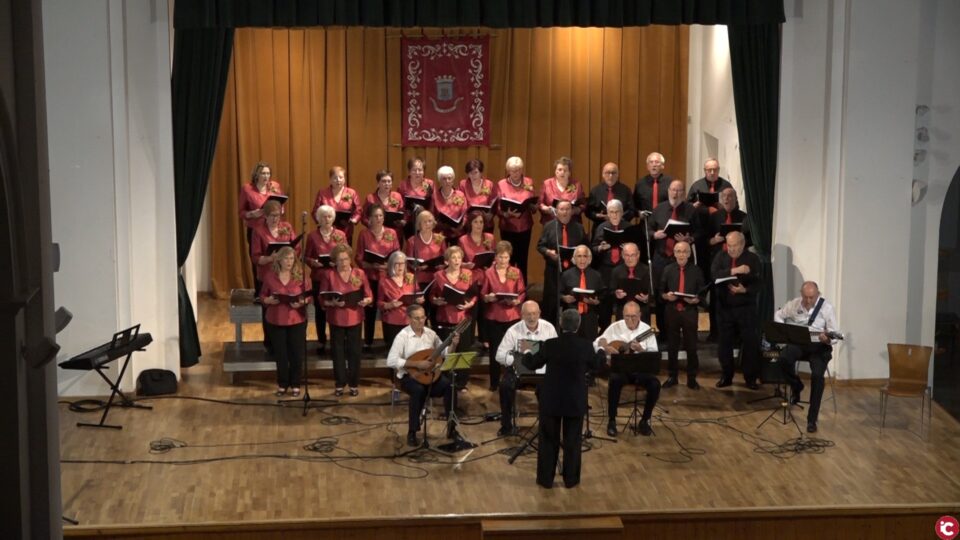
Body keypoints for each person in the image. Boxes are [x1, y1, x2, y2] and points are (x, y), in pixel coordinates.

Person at [522, 309, 604, 489]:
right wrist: (602, 349)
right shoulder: (585, 346)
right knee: (573, 441)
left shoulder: (550, 344)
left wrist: (527, 351)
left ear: (560, 323)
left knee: (548, 440)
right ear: (578, 325)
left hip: (551, 399)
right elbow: (597, 365)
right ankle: (571, 480)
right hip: (574, 400)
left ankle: (545, 480)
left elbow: (531, 364)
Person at [387, 304, 458, 447]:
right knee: (418, 390)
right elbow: (391, 360)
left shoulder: (431, 334)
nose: (421, 321)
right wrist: (416, 364)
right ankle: (412, 432)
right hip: (409, 376)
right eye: (417, 318)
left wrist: (454, 345)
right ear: (409, 319)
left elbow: (444, 353)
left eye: (423, 317)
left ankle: (451, 427)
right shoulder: (402, 336)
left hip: (429, 375)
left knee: (450, 386)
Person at [774, 281, 839, 434]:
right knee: (783, 358)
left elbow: (835, 334)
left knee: (817, 376)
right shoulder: (795, 304)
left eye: (812, 297)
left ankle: (812, 419)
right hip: (800, 344)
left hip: (819, 347)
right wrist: (783, 331)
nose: (808, 301)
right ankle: (797, 386)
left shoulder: (827, 308)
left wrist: (827, 338)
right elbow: (778, 314)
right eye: (805, 297)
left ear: (818, 295)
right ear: (801, 294)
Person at [594, 301, 660, 437]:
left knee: (655, 384)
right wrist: (606, 348)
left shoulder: (647, 330)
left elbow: (654, 354)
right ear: (623, 315)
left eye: (633, 316)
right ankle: (612, 420)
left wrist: (641, 350)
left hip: (641, 372)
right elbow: (596, 343)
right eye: (627, 316)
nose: (630, 320)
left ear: (640, 315)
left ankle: (644, 420)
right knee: (614, 381)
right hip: (621, 371)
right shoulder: (614, 327)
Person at [494, 301, 556, 436]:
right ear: (521, 315)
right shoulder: (513, 331)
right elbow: (499, 355)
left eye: (534, 314)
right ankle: (506, 425)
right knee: (505, 386)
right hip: (519, 371)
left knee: (550, 387)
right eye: (528, 314)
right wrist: (517, 361)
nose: (532, 317)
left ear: (539, 313)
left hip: (542, 371)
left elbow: (555, 352)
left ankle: (547, 425)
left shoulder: (549, 328)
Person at [649, 179, 701, 340]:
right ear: (668, 191)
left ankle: (686, 335)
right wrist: (654, 235)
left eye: (679, 191)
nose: (675, 193)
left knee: (684, 293)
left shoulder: (691, 210)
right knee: (662, 295)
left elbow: (699, 232)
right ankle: (663, 333)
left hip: (682, 259)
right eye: (673, 190)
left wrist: (689, 239)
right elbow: (648, 229)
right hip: (661, 258)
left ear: (684, 193)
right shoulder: (659, 209)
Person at [320, 244, 373, 397]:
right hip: (336, 318)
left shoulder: (359, 273)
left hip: (355, 317)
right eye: (340, 260)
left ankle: (354, 383)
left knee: (354, 352)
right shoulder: (328, 275)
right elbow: (322, 298)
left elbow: (368, 294)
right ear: (334, 261)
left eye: (346, 259)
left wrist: (366, 301)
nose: (343, 263)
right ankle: (339, 383)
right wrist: (332, 303)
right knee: (337, 352)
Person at [711, 231, 761, 390]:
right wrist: (733, 271)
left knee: (750, 343)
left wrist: (744, 290)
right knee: (724, 344)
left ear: (742, 244)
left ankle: (750, 377)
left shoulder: (752, 259)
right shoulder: (721, 256)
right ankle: (726, 375)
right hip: (724, 308)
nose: (731, 249)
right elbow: (713, 275)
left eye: (734, 246)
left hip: (745, 308)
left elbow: (759, 283)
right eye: (729, 245)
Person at [260, 246, 311, 397]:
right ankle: (282, 384)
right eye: (286, 258)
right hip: (276, 319)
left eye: (291, 258)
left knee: (296, 353)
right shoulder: (270, 276)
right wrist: (267, 300)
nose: (289, 262)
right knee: (281, 354)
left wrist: (302, 302)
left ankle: (296, 384)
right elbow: (262, 295)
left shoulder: (301, 275)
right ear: (279, 260)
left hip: (296, 319)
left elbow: (309, 296)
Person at [481, 241, 526, 392]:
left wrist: (518, 300)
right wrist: (489, 297)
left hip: (512, 315)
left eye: (506, 257)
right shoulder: (488, 273)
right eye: (500, 257)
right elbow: (483, 294)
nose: (503, 261)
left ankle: (514, 380)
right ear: (495, 257)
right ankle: (494, 382)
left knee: (514, 349)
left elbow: (521, 291)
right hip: (494, 316)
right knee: (495, 350)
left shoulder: (515, 271)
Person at [355, 204, 400, 351]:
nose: (379, 218)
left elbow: (397, 256)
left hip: (388, 278)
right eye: (375, 216)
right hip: (371, 277)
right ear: (369, 219)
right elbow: (359, 258)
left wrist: (388, 266)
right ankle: (368, 341)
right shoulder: (364, 234)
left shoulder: (392, 233)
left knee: (388, 309)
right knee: (370, 310)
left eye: (381, 215)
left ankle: (390, 340)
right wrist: (372, 265)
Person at [707, 187, 750, 340]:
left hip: (738, 260)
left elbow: (750, 241)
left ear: (735, 198)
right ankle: (715, 333)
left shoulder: (744, 217)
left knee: (736, 295)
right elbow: (705, 240)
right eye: (724, 196)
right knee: (716, 298)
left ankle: (737, 334)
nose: (726, 199)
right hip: (720, 260)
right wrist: (714, 240)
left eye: (730, 196)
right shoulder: (714, 217)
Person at [659, 241, 704, 389]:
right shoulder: (668, 269)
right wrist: (666, 296)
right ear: (674, 253)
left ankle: (692, 378)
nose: (681, 254)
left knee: (691, 346)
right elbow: (660, 291)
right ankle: (672, 376)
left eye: (684, 251)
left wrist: (696, 299)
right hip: (672, 311)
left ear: (689, 254)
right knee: (672, 346)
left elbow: (701, 293)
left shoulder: (696, 271)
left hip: (689, 312)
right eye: (678, 251)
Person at [304, 205, 348, 355]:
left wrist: (339, 262)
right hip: (319, 278)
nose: (327, 219)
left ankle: (339, 340)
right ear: (318, 219)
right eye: (323, 216)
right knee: (321, 310)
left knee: (338, 308)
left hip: (337, 277)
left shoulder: (341, 235)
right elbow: (306, 257)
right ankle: (321, 340)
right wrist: (313, 263)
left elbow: (346, 254)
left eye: (329, 216)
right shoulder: (312, 236)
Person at [238, 161, 283, 296]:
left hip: (273, 229)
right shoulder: (247, 189)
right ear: (256, 174)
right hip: (255, 230)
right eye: (263, 173)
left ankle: (275, 289)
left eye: (268, 173)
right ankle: (260, 292)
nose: (266, 176)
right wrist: (252, 214)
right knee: (258, 260)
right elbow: (241, 212)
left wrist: (281, 208)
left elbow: (280, 204)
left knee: (275, 258)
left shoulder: (275, 186)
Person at [536, 201, 585, 325]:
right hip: (553, 269)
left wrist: (580, 256)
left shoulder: (579, 227)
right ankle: (550, 330)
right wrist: (548, 252)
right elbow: (540, 246)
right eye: (562, 209)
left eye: (568, 209)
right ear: (556, 211)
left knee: (571, 301)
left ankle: (571, 329)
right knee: (552, 302)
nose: (565, 212)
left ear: (572, 211)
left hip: (573, 271)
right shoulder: (549, 226)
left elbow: (586, 247)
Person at [497, 156, 538, 283]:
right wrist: (506, 214)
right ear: (507, 170)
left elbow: (532, 204)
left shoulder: (528, 182)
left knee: (522, 259)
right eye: (513, 170)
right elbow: (498, 207)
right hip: (508, 226)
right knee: (508, 259)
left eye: (518, 170)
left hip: (525, 226)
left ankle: (522, 290)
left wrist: (533, 207)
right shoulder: (501, 184)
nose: (516, 173)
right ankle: (508, 288)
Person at [459, 211, 496, 351]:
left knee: (486, 310)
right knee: (472, 310)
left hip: (486, 278)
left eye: (481, 222)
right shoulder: (463, 240)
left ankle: (485, 339)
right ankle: (469, 340)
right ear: (470, 223)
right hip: (470, 279)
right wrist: (465, 265)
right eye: (475, 222)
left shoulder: (489, 238)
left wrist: (490, 264)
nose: (479, 225)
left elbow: (494, 258)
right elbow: (459, 261)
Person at [591, 198, 629, 329]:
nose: (614, 215)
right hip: (606, 269)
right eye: (611, 212)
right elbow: (594, 248)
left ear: (622, 212)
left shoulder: (628, 227)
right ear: (607, 213)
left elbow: (637, 248)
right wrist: (601, 248)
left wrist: (628, 248)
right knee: (605, 302)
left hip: (624, 269)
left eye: (617, 212)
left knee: (623, 300)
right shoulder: (601, 227)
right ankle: (604, 329)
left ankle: (623, 328)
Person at [429, 246, 477, 351]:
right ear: (447, 261)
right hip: (444, 318)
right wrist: (435, 301)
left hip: (463, 318)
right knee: (445, 353)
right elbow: (431, 294)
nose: (457, 260)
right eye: (454, 257)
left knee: (462, 352)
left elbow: (474, 294)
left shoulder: (468, 273)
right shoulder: (438, 275)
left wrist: (470, 304)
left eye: (459, 257)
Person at [377, 251, 424, 346]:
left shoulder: (411, 278)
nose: (400, 266)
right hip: (392, 321)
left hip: (410, 321)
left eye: (402, 263)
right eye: (397, 264)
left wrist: (419, 300)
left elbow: (418, 295)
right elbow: (379, 303)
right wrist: (389, 305)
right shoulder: (384, 282)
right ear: (391, 265)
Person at [560, 245, 605, 341]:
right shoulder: (566, 275)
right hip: (572, 316)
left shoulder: (597, 275)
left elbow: (603, 295)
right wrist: (564, 298)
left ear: (589, 259)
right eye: (579, 256)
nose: (582, 259)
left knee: (589, 345)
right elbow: (558, 293)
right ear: (574, 258)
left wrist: (597, 301)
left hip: (590, 317)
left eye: (585, 256)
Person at [312, 166, 361, 244]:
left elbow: (358, 210)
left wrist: (353, 220)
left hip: (346, 231)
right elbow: (315, 211)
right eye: (335, 178)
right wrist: (321, 221)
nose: (338, 180)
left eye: (341, 177)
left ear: (344, 179)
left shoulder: (352, 193)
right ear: (330, 180)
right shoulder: (322, 193)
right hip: (326, 231)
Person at [586, 162, 636, 231]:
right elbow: (588, 211)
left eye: (613, 173)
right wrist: (597, 216)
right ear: (603, 174)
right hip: (600, 227)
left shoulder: (625, 190)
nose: (610, 176)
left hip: (622, 227)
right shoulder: (595, 191)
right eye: (607, 173)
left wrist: (618, 217)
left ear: (618, 174)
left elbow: (631, 210)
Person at [610, 242, 652, 323]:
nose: (630, 258)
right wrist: (616, 294)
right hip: (622, 310)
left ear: (638, 255)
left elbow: (654, 293)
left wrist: (647, 298)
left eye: (632, 255)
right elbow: (610, 292)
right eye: (627, 255)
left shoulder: (647, 271)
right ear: (622, 255)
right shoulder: (616, 271)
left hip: (641, 311)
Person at [538, 156, 586, 225]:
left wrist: (575, 211)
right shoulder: (547, 183)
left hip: (572, 223)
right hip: (551, 223)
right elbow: (540, 203)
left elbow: (583, 205)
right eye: (560, 169)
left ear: (569, 173)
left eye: (565, 170)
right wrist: (547, 209)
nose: (562, 172)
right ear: (555, 171)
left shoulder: (577, 185)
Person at [398, 157, 434, 240]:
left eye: (420, 170)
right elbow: (400, 205)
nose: (417, 173)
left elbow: (432, 203)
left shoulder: (429, 184)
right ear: (409, 171)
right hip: (408, 222)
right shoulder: (403, 185)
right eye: (414, 170)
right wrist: (404, 219)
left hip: (424, 221)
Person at [459, 159, 499, 233]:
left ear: (481, 172)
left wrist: (491, 214)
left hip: (485, 224)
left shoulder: (489, 184)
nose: (473, 175)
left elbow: (495, 203)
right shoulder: (463, 184)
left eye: (475, 172)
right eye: (470, 173)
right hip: (469, 224)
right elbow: (460, 204)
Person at [432, 165, 467, 237]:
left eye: (449, 178)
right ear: (440, 180)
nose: (447, 181)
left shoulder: (460, 195)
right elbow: (431, 215)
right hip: (440, 234)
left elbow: (465, 214)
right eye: (444, 179)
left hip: (458, 233)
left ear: (453, 180)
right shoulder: (434, 196)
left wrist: (460, 228)